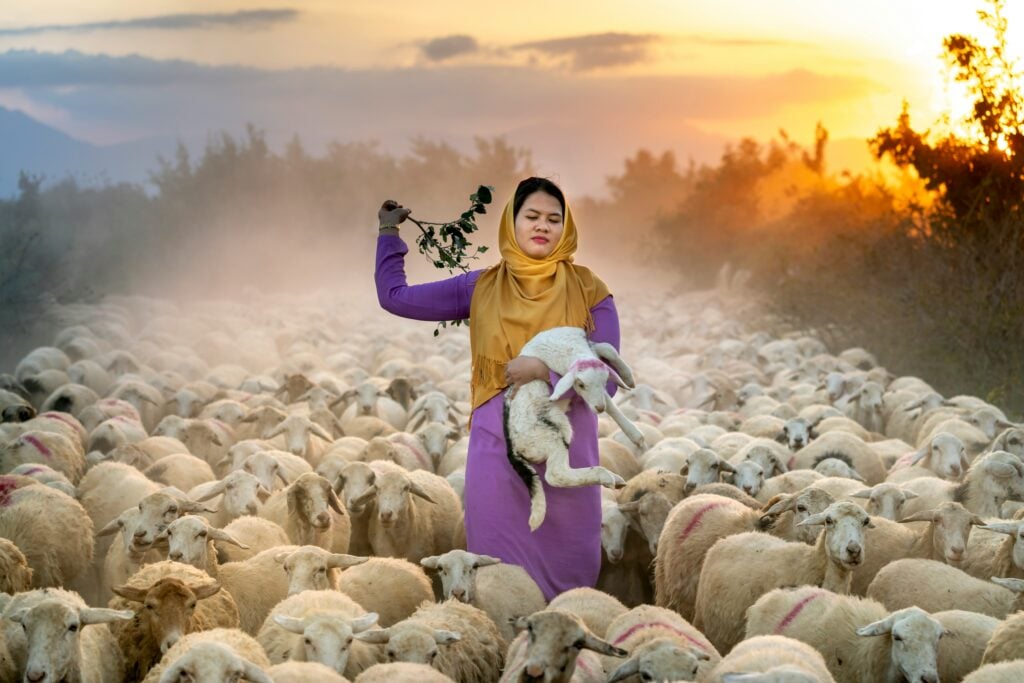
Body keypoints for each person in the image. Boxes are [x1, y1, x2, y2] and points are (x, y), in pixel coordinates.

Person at [374, 177, 621, 600]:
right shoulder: (481, 286)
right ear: (512, 222)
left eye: (553, 219)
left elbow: (608, 381)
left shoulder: (590, 290)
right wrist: (388, 234)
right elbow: (395, 297)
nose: (542, 226)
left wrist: (541, 370)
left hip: (567, 452)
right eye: (532, 217)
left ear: (567, 228)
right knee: (497, 581)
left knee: (573, 579)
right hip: (498, 452)